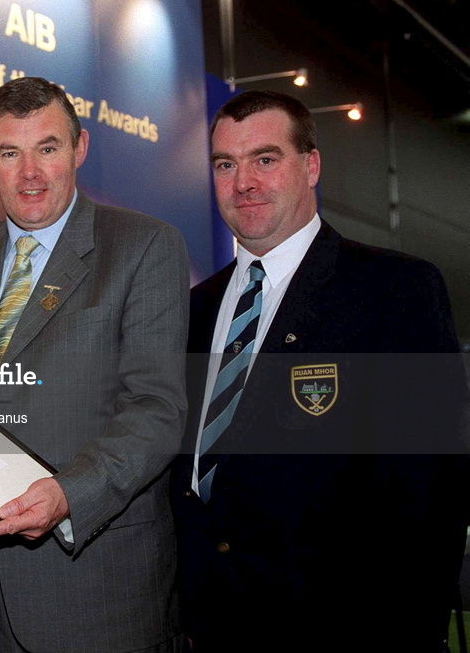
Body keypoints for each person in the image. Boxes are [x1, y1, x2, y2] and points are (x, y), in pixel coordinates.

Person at [172, 90, 469, 652]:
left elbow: (432, 499)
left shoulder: (395, 290)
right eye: (225, 165)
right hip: (211, 631)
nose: (243, 183)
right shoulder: (195, 310)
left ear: (310, 165)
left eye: (265, 159)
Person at [0, 76, 189, 652]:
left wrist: (69, 493)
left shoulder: (144, 246)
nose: (31, 173)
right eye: (9, 153)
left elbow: (157, 408)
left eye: (48, 148)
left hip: (99, 589)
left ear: (80, 148)